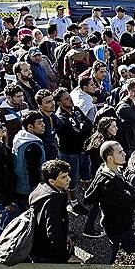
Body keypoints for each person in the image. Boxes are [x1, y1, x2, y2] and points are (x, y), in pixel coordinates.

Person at [84, 141, 135, 264]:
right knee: (124, 255)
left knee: (120, 252)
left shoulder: (111, 169)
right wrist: (134, 193)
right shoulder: (109, 182)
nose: (124, 154)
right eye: (120, 152)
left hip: (117, 222)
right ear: (110, 158)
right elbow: (131, 201)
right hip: (118, 225)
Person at [54, 87, 93, 216]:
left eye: (69, 96)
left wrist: (81, 129)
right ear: (59, 103)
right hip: (70, 153)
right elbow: (72, 135)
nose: (70, 100)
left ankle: (89, 195)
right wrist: (82, 130)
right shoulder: (60, 118)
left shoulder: (76, 109)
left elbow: (88, 124)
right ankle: (74, 202)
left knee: (86, 174)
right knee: (71, 180)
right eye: (66, 99)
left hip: (83, 149)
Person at [29, 159, 74, 263]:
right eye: (63, 177)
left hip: (37, 247)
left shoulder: (41, 188)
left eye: (67, 175)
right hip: (46, 254)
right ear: (52, 181)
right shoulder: (54, 202)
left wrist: (65, 236)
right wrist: (66, 257)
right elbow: (54, 233)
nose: (69, 179)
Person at [82, 117, 118, 238]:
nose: (116, 128)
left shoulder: (96, 138)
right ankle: (88, 228)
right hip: (103, 175)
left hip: (98, 174)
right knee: (99, 202)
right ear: (106, 128)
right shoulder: (105, 143)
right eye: (113, 126)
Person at [12, 110, 46, 205]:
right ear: (30, 127)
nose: (43, 125)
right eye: (39, 123)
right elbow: (33, 170)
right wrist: (37, 191)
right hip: (29, 189)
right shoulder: (32, 147)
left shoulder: (20, 138)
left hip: (20, 185)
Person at [35, 89, 60, 161]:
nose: (52, 104)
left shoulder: (54, 117)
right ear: (40, 106)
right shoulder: (38, 121)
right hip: (43, 157)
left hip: (54, 155)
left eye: (52, 100)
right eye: (48, 102)